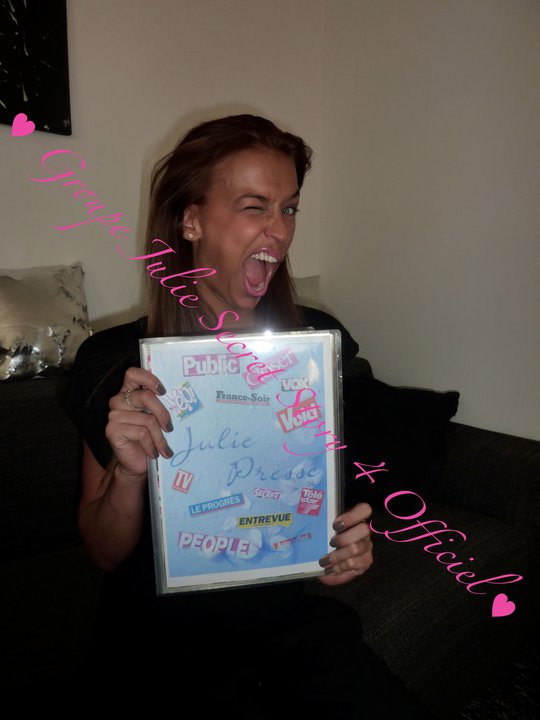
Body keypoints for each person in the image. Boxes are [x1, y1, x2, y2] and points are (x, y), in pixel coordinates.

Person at [64, 114, 434, 717]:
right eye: (254, 206)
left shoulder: (315, 347)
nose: (279, 231)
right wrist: (129, 473)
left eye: (288, 208)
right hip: (160, 637)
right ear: (190, 220)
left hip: (286, 626)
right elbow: (104, 554)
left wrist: (347, 540)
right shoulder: (114, 361)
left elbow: (322, 493)